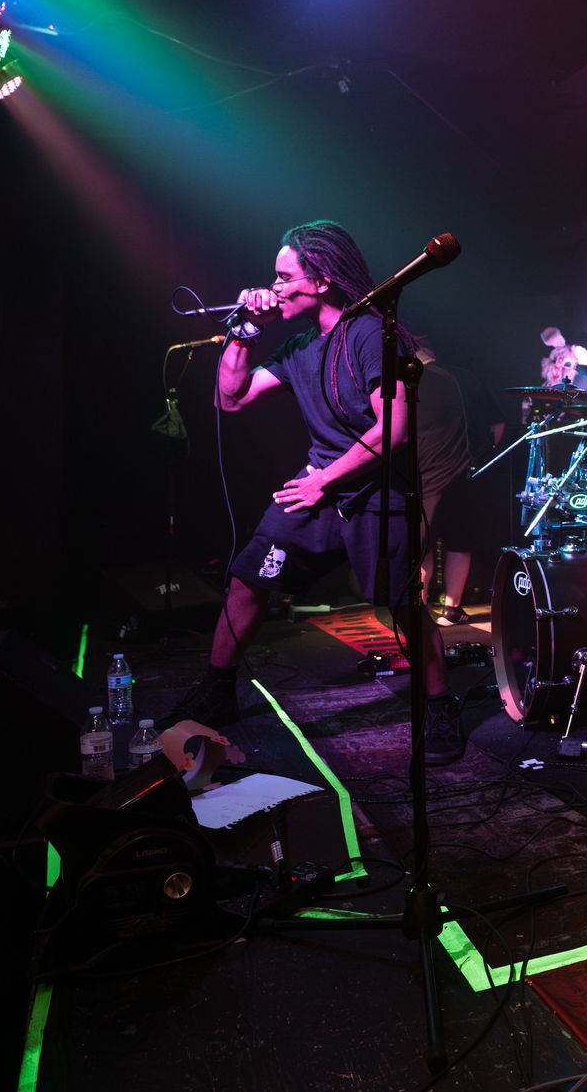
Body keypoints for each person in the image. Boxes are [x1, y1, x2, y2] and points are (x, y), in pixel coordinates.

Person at [166, 221, 463, 765]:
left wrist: (324, 480)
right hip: (321, 488)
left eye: (284, 277)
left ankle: (441, 706)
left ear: (322, 280)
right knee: (248, 578)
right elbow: (230, 399)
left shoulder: (371, 333)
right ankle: (216, 689)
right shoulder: (299, 347)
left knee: (400, 606)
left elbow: (394, 429)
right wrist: (244, 330)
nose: (274, 287)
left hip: (375, 491)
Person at [415, 349, 506, 625]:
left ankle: (418, 609)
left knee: (422, 545)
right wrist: (483, 456)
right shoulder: (468, 377)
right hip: (469, 473)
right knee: (459, 543)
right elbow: (498, 426)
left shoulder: (414, 381)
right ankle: (452, 609)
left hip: (430, 475)